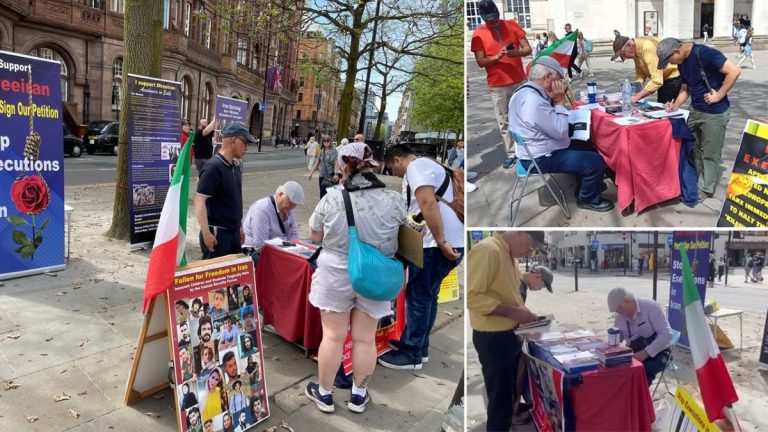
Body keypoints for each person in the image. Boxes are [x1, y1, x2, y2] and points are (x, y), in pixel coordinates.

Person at [305, 142, 405, 414]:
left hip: (336, 270)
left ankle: (325, 394)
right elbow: (404, 235)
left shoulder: (332, 197)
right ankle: (359, 395)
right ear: (372, 165)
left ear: (342, 165)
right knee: (365, 339)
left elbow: (315, 235)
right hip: (375, 273)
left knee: (333, 336)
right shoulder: (394, 198)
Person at [379, 144, 464, 370]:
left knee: (418, 296)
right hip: (450, 242)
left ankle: (411, 353)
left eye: (391, 169)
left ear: (396, 160)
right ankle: (419, 345)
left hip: (436, 246)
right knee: (428, 295)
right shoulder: (432, 166)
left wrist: (441, 241)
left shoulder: (416, 167)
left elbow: (427, 203)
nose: (394, 174)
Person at [508, 56, 614, 212]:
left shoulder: (522, 92)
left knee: (586, 143)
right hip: (539, 158)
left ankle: (589, 185)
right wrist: (559, 102)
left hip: (534, 149)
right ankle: (588, 199)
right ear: (548, 77)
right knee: (595, 161)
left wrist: (552, 102)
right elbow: (561, 132)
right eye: (558, 80)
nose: (560, 84)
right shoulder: (533, 101)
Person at [467, 231, 544, 431]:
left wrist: (528, 316)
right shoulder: (488, 250)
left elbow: (512, 298)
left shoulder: (511, 257)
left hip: (509, 336)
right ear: (519, 233)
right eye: (529, 246)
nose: (528, 253)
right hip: (493, 339)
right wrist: (514, 312)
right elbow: (473, 297)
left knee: (509, 398)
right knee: (500, 402)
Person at [658, 38, 741, 201]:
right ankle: (695, 179)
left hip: (714, 113)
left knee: (710, 151)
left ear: (677, 51)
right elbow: (686, 88)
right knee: (693, 146)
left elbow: (734, 71)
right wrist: (675, 105)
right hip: (695, 110)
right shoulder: (682, 63)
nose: (671, 64)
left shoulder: (705, 54)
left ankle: (706, 187)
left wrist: (719, 95)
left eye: (669, 60)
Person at [471, 0, 532, 169]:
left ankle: (530, 148)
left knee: (526, 114)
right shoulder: (478, 35)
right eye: (489, 19)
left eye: (495, 17)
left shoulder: (512, 25)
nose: (493, 22)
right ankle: (512, 152)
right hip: (497, 85)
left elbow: (528, 49)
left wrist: (516, 52)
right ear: (483, 17)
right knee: (504, 120)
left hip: (519, 79)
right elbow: (480, 61)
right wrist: (496, 58)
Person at [195, 122, 255, 259]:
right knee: (215, 278)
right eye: (245, 143)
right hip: (217, 233)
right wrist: (206, 233)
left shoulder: (235, 166)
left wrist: (238, 226)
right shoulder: (213, 167)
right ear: (233, 140)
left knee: (234, 278)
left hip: (232, 232)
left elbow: (235, 199)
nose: (247, 148)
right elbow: (199, 200)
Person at [607, 287, 673, 386]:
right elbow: (617, 339)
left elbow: (666, 334)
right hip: (634, 352)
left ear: (627, 300)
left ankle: (641, 399)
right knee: (615, 370)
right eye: (615, 310)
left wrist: (645, 353)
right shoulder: (620, 317)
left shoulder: (651, 307)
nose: (617, 312)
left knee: (642, 372)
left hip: (659, 352)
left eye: (618, 308)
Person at [241, 181, 303, 262]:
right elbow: (260, 245)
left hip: (280, 249)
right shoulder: (261, 209)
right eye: (291, 203)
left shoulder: (289, 209)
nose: (293, 207)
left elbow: (293, 234)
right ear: (281, 194)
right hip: (255, 252)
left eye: (295, 204)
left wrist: (295, 249)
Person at [618, 37, 683, 104]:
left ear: (630, 46)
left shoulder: (647, 48)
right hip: (663, 77)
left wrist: (637, 97)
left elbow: (657, 80)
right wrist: (637, 87)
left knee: (665, 108)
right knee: (661, 105)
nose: (624, 58)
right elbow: (640, 72)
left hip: (672, 77)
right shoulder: (636, 48)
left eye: (622, 54)